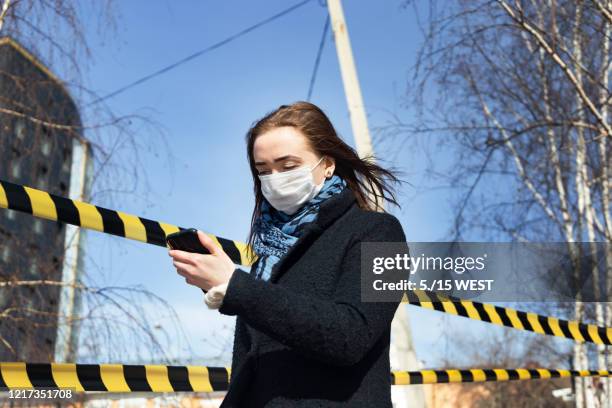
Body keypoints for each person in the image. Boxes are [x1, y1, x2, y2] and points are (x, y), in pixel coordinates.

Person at [168, 101, 407, 407]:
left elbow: (351, 336)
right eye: (263, 170)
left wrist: (236, 287)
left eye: (289, 165)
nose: (274, 178)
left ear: (328, 164)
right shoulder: (269, 251)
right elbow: (253, 362)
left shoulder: (382, 233)